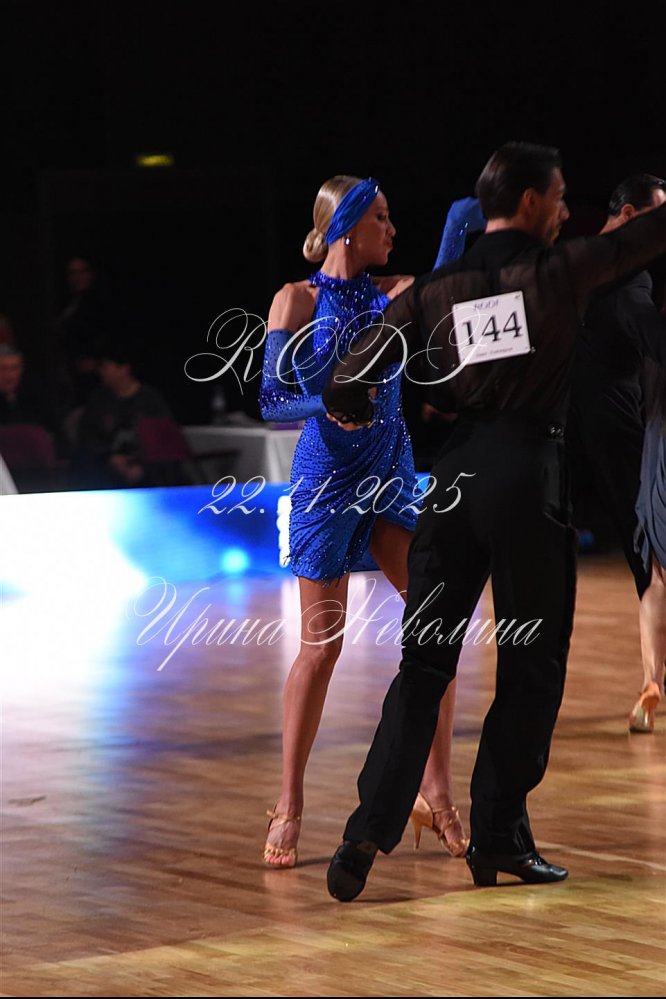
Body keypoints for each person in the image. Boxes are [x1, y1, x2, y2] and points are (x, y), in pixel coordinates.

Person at [322, 142, 666, 901]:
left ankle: (361, 838)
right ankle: (499, 836)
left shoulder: (436, 288)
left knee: (424, 664)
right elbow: (641, 239)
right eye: (561, 197)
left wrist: (353, 409)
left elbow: (350, 372)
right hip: (528, 479)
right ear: (533, 202)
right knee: (531, 664)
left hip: (453, 481)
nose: (567, 211)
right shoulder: (557, 271)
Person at [258, 174, 466, 869]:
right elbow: (272, 400)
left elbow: (450, 269)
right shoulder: (296, 300)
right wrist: (329, 398)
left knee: (434, 630)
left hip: (392, 468)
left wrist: (468, 212)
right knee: (322, 648)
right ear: (347, 225)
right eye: (381, 217)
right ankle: (289, 799)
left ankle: (437, 791)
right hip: (325, 475)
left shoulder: (396, 293)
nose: (392, 229)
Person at [566, 174, 666, 730]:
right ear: (628, 214)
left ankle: (652, 679)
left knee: (644, 554)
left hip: (574, 428)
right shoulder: (625, 280)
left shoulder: (575, 263)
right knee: (647, 555)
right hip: (601, 429)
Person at [75, 341, 174, 488]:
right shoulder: (98, 400)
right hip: (107, 468)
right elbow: (88, 437)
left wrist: (141, 465)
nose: (101, 372)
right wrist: (110, 458)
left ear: (124, 369)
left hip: (147, 468)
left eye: (106, 367)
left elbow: (164, 437)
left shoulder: (150, 399)